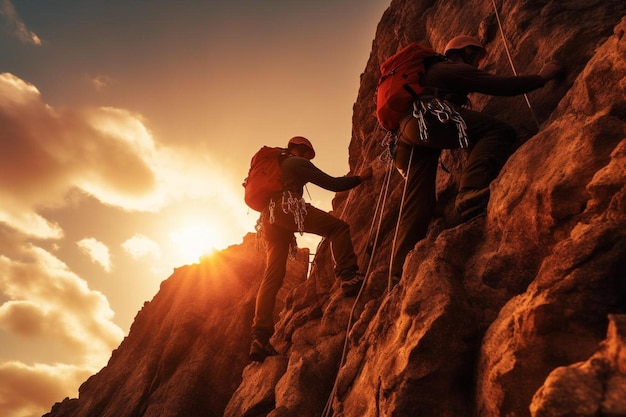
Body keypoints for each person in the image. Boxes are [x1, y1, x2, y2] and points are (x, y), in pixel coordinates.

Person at [390, 34, 563, 284]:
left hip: (408, 134)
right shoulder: (449, 67)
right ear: (466, 52)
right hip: (428, 119)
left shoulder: (428, 75)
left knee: (418, 202)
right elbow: (503, 86)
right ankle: (470, 192)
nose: (478, 64)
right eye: (477, 57)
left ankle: (398, 272)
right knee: (497, 131)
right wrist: (543, 76)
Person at [250, 136, 372, 362]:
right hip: (287, 208)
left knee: (272, 278)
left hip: (269, 219)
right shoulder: (297, 163)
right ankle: (348, 275)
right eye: (308, 154)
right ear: (303, 150)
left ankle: (259, 337)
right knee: (338, 228)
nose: (309, 158)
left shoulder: (277, 165)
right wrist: (360, 178)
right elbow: (333, 184)